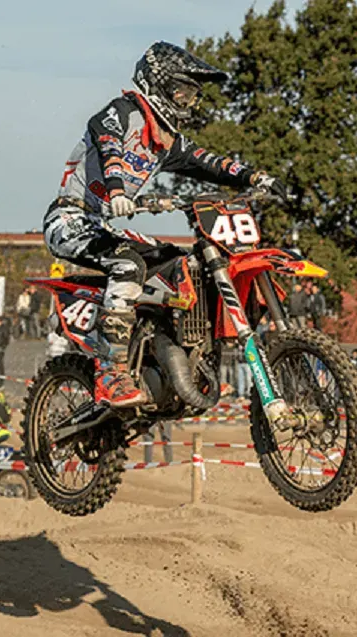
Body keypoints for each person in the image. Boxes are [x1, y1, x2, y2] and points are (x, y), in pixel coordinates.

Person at [43, 41, 286, 408]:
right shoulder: (124, 111)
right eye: (181, 91)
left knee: (178, 263)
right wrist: (116, 188)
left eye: (192, 94)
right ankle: (110, 372)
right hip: (69, 217)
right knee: (128, 265)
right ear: (158, 84)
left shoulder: (166, 141)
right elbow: (107, 142)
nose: (188, 101)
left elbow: (208, 162)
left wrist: (254, 177)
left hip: (103, 226)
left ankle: (156, 351)